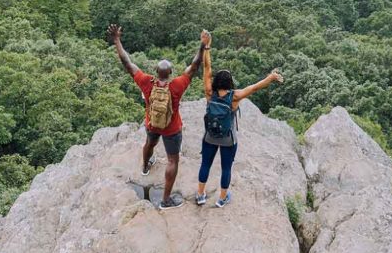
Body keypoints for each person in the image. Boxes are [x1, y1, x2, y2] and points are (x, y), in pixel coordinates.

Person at [107, 24, 209, 210]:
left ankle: (145, 167)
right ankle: (165, 200)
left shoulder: (146, 82)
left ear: (156, 72)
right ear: (170, 73)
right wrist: (203, 45)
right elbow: (194, 66)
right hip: (172, 128)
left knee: (149, 143)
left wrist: (117, 40)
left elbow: (127, 62)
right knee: (172, 160)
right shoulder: (177, 85)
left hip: (152, 124)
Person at [195, 50, 283, 208]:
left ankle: (200, 195)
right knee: (226, 168)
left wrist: (207, 48)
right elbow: (255, 87)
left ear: (216, 82)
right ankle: (222, 198)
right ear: (229, 83)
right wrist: (271, 77)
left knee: (205, 164)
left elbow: (207, 69)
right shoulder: (235, 96)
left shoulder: (209, 93)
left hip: (209, 136)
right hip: (228, 139)